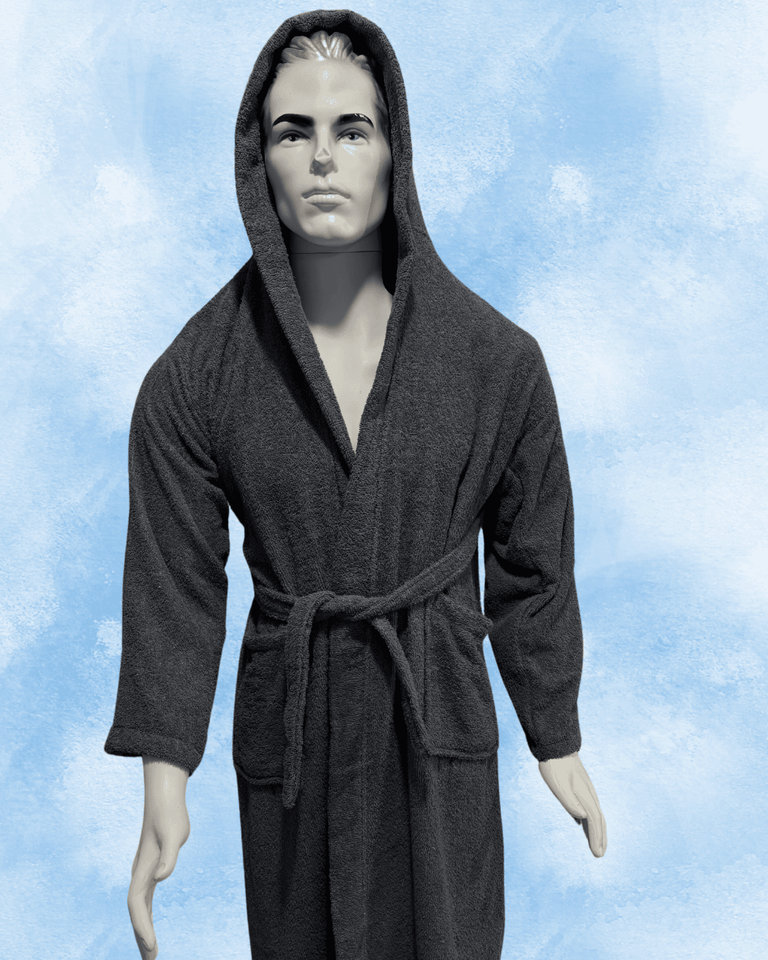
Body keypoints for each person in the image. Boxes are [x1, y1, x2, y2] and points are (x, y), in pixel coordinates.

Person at [104, 10, 607, 960]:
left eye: (353, 130)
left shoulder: (496, 362)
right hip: (295, 732)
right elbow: (176, 584)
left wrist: (558, 734)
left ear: (394, 151)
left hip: (434, 719)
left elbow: (533, 568)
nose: (324, 159)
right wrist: (163, 777)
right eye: (294, 132)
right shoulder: (197, 376)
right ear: (259, 158)